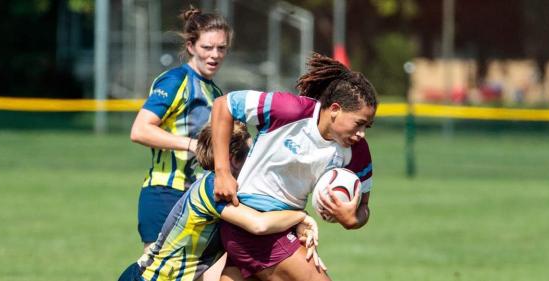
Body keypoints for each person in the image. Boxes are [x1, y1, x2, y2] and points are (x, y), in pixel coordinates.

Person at [211, 53, 377, 280]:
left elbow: (364, 208)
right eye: (359, 124)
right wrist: (222, 173)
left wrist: (353, 219)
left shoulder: (357, 152)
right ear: (335, 109)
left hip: (284, 226)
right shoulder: (289, 111)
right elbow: (223, 105)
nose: (362, 134)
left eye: (367, 126)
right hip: (248, 221)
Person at [119, 123, 322, 281]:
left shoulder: (226, 186)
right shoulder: (213, 186)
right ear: (233, 159)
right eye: (249, 154)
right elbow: (259, 224)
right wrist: (301, 216)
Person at [129, 7, 232, 249]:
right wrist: (191, 145)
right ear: (191, 46)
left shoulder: (215, 92)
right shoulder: (175, 81)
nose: (215, 55)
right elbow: (140, 130)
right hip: (165, 193)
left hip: (199, 198)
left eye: (221, 48)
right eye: (207, 47)